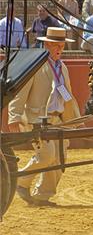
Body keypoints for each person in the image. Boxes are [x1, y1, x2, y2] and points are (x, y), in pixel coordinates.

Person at [7, 27, 80, 206]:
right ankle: (21, 182)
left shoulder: (62, 66)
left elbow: (68, 94)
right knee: (47, 156)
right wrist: (14, 116)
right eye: (56, 45)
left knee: (59, 158)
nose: (59, 49)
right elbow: (20, 92)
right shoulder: (36, 65)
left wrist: (74, 118)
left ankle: (42, 195)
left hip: (59, 119)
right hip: (37, 119)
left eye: (62, 46)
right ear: (46, 44)